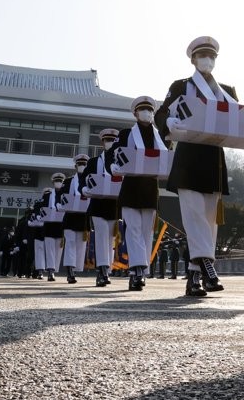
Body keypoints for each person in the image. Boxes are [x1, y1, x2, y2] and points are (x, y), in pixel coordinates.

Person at [156, 37, 244, 297]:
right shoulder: (180, 86)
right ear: (193, 59)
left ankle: (194, 277)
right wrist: (168, 124)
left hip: (213, 162)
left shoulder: (227, 91)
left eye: (212, 57)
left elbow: (238, 120)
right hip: (188, 160)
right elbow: (161, 113)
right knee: (195, 217)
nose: (207, 61)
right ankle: (208, 266)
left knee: (209, 222)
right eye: (202, 56)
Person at [113, 96, 165, 292]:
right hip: (132, 188)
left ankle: (141, 269)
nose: (147, 114)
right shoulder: (126, 134)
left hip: (150, 189)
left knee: (145, 232)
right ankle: (137, 271)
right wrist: (114, 165)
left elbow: (165, 157)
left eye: (150, 111)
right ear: (135, 114)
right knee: (133, 230)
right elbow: (116, 153)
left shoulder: (157, 136)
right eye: (143, 110)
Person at [83, 128, 120, 287]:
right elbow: (84, 180)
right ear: (102, 143)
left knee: (110, 240)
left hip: (113, 205)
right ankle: (102, 270)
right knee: (101, 236)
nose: (109, 143)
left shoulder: (120, 159)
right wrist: (84, 190)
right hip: (97, 205)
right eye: (107, 140)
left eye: (112, 140)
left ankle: (107, 269)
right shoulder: (93, 162)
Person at [60, 154, 92, 284]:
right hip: (71, 218)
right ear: (75, 166)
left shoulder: (90, 180)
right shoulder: (68, 182)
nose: (82, 166)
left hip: (83, 219)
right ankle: (70, 271)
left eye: (84, 164)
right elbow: (62, 198)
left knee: (80, 246)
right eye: (80, 164)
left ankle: (76, 268)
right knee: (70, 244)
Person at [39, 173, 66, 282]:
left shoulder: (65, 194)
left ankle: (54, 269)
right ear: (53, 183)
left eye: (60, 181)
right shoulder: (47, 195)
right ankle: (51, 271)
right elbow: (42, 208)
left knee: (58, 250)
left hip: (60, 226)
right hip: (49, 225)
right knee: (49, 249)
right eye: (56, 181)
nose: (58, 183)